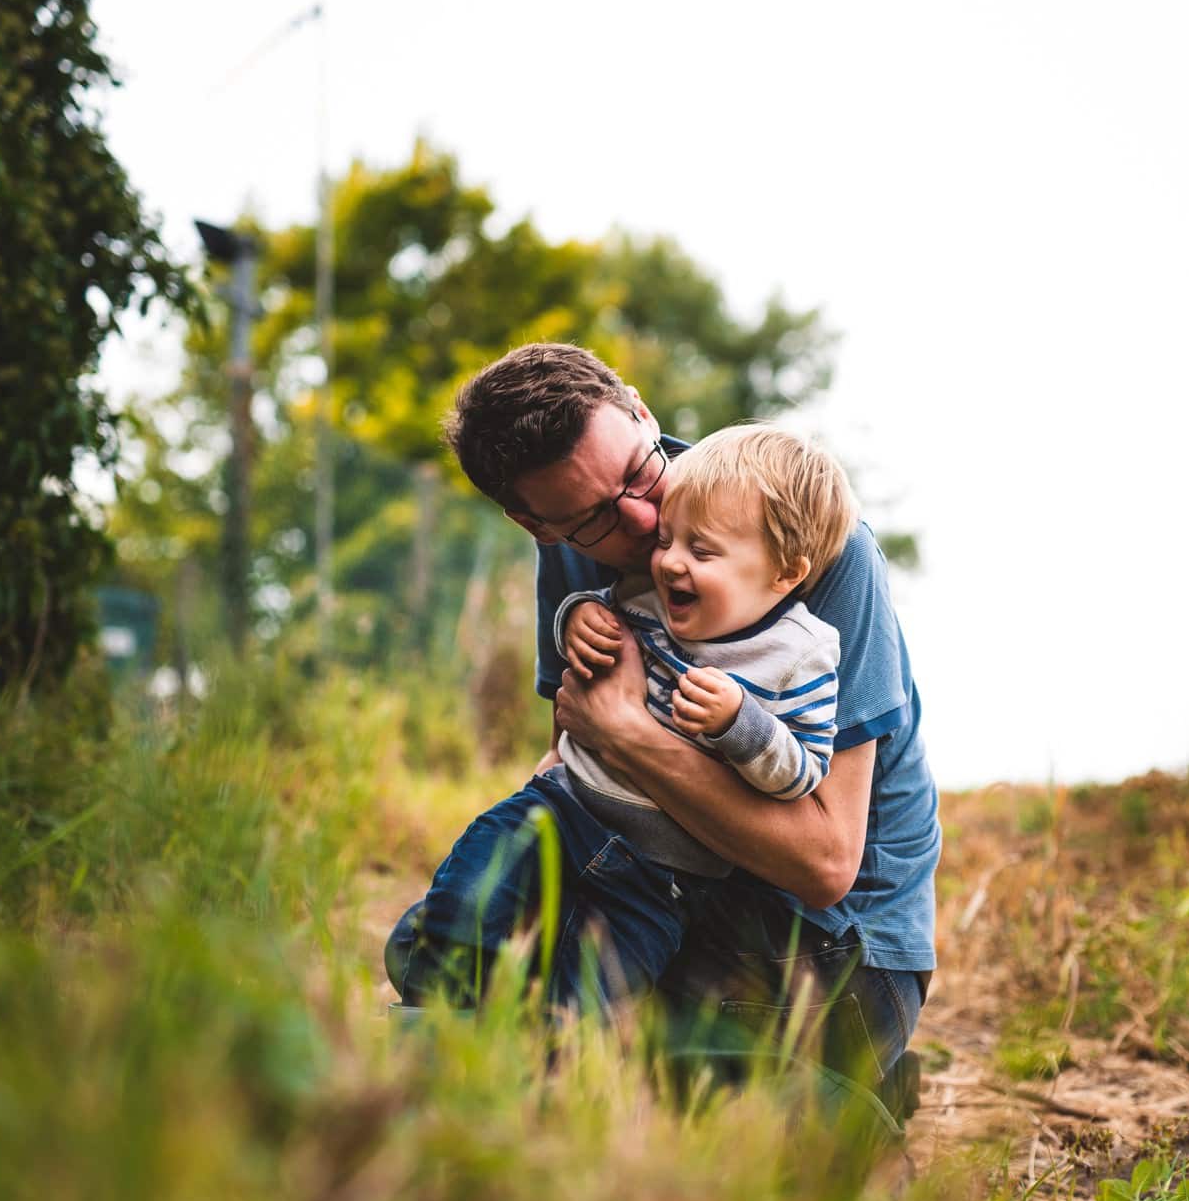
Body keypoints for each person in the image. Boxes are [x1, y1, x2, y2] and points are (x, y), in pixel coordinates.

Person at [385, 343, 940, 1115]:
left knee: (559, 1024)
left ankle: (833, 1117)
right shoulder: (572, 555)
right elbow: (580, 759)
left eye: (641, 475)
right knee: (432, 938)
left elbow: (826, 862)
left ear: (642, 411)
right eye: (597, 518)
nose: (646, 523)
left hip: (832, 945)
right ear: (535, 524)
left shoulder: (809, 542)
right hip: (670, 887)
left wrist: (629, 735)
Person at [394, 424, 856, 1008]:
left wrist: (739, 722)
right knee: (460, 909)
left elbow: (804, 771)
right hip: (558, 811)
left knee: (588, 1002)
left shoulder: (797, 656)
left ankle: (539, 1069)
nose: (669, 563)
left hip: (663, 877)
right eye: (668, 540)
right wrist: (577, 618)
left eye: (702, 550)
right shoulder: (649, 596)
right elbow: (596, 617)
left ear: (785, 572)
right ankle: (439, 1023)